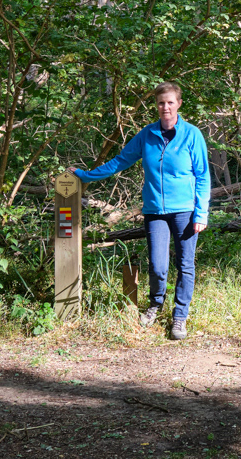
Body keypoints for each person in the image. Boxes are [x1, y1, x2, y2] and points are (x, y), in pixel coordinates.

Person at [71, 82, 210, 340]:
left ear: (179, 104)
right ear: (156, 105)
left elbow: (202, 176)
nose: (165, 107)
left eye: (170, 102)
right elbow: (120, 161)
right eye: (160, 102)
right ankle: (155, 305)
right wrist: (85, 176)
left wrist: (201, 213)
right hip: (155, 210)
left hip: (185, 211)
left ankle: (180, 316)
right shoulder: (147, 135)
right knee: (157, 265)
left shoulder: (192, 135)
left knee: (185, 264)